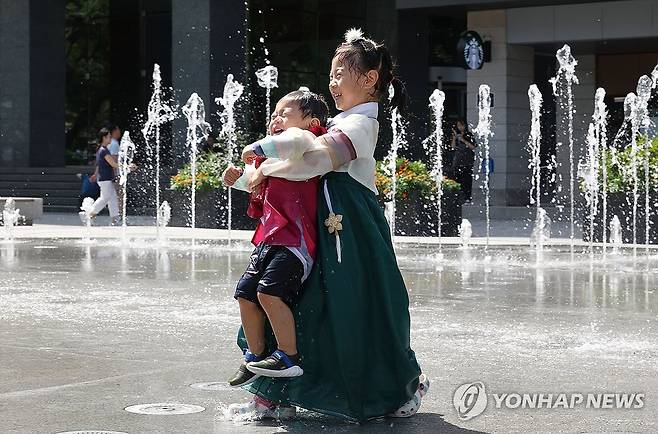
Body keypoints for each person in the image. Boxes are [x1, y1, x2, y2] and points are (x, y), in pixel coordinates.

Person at [227, 28, 428, 423]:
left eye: (340, 74)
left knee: (357, 309)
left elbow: (317, 162)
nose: (332, 83)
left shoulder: (360, 126)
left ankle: (400, 385)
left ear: (369, 79)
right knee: (298, 305)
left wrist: (266, 160)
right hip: (321, 229)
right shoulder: (339, 121)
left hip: (352, 234)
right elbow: (299, 169)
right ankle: (273, 393)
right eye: (332, 74)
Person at [221, 90, 329, 393]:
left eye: (285, 113)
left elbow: (292, 141)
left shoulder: (307, 143)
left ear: (311, 122)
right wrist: (237, 177)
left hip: (295, 240)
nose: (275, 119)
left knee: (269, 293)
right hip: (269, 239)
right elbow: (254, 181)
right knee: (245, 293)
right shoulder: (271, 160)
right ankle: (254, 355)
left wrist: (254, 147)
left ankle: (287, 355)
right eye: (273, 115)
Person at [85, 127, 123, 225]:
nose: (110, 139)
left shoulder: (102, 150)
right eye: (109, 137)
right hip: (105, 178)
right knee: (105, 198)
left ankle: (115, 219)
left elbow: (100, 165)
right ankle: (90, 213)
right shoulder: (103, 151)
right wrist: (127, 167)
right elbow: (113, 164)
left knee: (112, 198)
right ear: (104, 138)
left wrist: (95, 174)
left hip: (105, 178)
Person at [450, 119, 477, 203]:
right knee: (457, 180)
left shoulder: (469, 135)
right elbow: (453, 147)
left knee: (467, 180)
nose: (460, 127)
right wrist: (454, 138)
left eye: (462, 125)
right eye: (458, 126)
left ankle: (467, 197)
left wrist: (463, 140)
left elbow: (473, 147)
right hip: (458, 162)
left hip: (467, 162)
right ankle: (458, 197)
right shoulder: (456, 135)